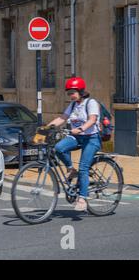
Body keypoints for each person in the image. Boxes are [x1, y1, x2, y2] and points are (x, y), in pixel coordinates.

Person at [47, 77, 101, 212]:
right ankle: (71, 169)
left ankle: (82, 198)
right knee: (59, 148)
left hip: (91, 138)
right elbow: (62, 118)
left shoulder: (91, 103)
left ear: (81, 91)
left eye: (73, 92)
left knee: (83, 168)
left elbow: (92, 119)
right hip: (77, 137)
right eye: (69, 93)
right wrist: (46, 127)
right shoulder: (72, 105)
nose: (70, 95)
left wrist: (81, 128)